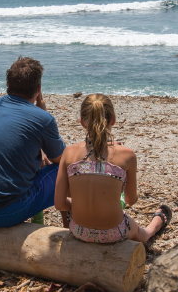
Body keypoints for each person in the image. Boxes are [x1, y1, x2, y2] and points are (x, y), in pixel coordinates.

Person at [0, 57, 67, 227]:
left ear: (8, 84)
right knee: (70, 169)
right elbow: (62, 159)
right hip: (4, 212)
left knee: (35, 161)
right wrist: (42, 113)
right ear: (38, 89)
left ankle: (39, 220)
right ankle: (71, 229)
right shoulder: (43, 119)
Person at [54, 93, 171, 244]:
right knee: (140, 233)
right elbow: (130, 200)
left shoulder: (69, 152)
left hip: (79, 231)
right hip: (113, 232)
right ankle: (155, 226)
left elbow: (59, 204)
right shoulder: (127, 155)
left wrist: (79, 203)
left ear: (82, 122)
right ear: (113, 120)